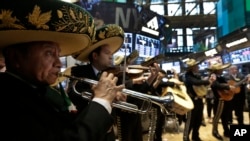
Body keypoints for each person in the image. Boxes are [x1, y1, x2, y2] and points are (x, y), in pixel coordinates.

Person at [0, 0, 125, 140]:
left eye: (58, 54)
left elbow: (68, 128)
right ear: (16, 57)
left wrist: (103, 102)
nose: (59, 63)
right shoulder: (8, 100)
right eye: (49, 53)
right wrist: (101, 102)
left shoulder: (40, 91)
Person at [67, 24, 126, 141]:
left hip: (108, 131)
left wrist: (118, 98)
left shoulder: (112, 74)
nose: (111, 57)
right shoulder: (79, 71)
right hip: (88, 131)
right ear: (95, 55)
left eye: (111, 53)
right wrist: (100, 94)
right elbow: (73, 94)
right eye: (107, 53)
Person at [182, 59, 214, 141]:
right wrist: (207, 81)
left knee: (198, 119)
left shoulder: (196, 75)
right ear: (192, 67)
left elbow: (200, 83)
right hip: (191, 101)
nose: (198, 67)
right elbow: (196, 82)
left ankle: (195, 136)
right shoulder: (188, 76)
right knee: (190, 121)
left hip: (199, 100)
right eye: (196, 65)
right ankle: (186, 137)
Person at [207, 62, 233, 140]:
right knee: (217, 117)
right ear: (216, 70)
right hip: (218, 100)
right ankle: (214, 131)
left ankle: (226, 131)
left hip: (223, 99)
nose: (222, 70)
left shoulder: (220, 76)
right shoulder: (213, 76)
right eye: (220, 69)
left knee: (225, 117)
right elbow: (215, 85)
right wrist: (227, 86)